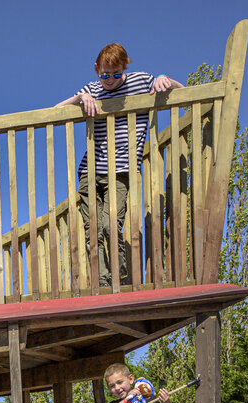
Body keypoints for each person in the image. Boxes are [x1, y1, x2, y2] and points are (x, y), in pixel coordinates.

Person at [55, 43, 184, 286]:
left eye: (116, 74)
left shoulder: (141, 81)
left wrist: (164, 79)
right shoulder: (92, 89)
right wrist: (81, 97)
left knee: (110, 223)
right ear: (96, 69)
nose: (110, 80)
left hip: (121, 170)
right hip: (89, 170)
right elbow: (55, 111)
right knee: (92, 228)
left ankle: (119, 277)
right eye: (105, 75)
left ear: (125, 68)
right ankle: (102, 281)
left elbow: (183, 91)